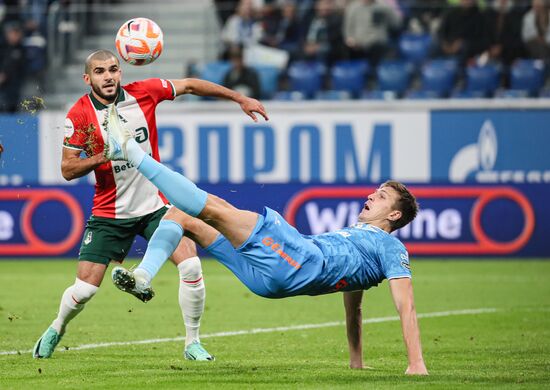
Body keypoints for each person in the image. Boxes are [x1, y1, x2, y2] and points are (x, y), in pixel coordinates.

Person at [102, 109, 427, 374]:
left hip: (295, 258)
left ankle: (131, 153)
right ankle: (143, 275)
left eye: (382, 196)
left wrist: (416, 364)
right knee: (181, 216)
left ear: (395, 216)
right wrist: (356, 362)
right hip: (271, 278)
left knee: (209, 207)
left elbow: (406, 304)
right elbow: (353, 309)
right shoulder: (360, 244)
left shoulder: (390, 248)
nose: (371, 195)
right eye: (375, 191)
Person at [32, 49, 267, 361]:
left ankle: (192, 343)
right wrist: (106, 154)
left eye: (113, 69)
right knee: (85, 290)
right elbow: (67, 169)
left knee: (192, 264)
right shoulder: (79, 115)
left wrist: (239, 98)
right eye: (100, 72)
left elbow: (190, 86)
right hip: (109, 213)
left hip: (157, 206)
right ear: (87, 79)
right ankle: (56, 328)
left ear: (121, 72)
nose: (109, 76)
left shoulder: (145, 93)